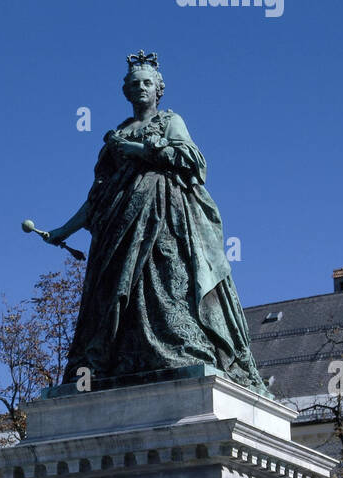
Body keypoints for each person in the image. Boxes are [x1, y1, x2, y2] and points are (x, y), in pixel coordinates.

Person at [42, 51, 269, 396]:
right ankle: (113, 363)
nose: (140, 88)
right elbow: (97, 198)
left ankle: (178, 351)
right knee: (116, 294)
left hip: (163, 215)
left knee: (165, 283)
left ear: (159, 89)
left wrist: (138, 150)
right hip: (116, 229)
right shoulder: (115, 134)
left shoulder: (170, 121)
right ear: (126, 91)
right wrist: (63, 230)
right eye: (134, 84)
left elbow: (192, 161)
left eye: (147, 82)